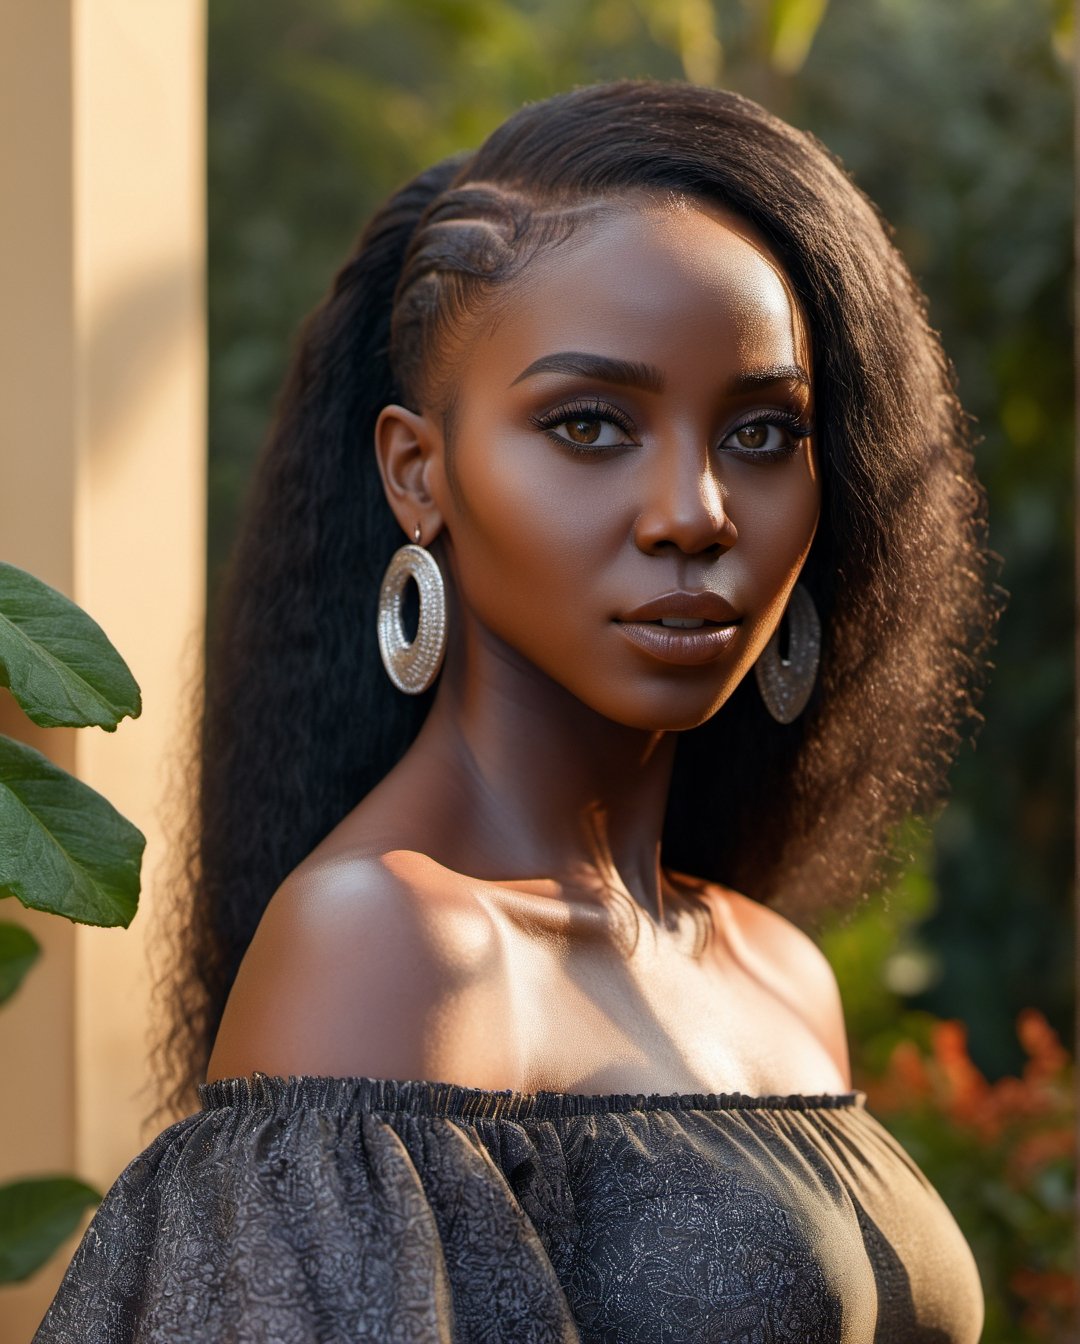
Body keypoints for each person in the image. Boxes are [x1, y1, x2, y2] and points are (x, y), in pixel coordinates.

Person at [34, 79, 996, 1342]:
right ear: (417, 474)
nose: (696, 512)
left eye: (763, 433)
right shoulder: (383, 953)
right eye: (590, 424)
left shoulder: (781, 974)